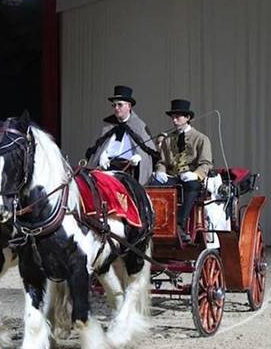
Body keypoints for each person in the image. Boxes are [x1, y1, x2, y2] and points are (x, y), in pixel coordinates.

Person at [151, 99, 213, 241]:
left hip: (190, 179)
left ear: (188, 118)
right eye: (173, 117)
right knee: (153, 184)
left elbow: (206, 163)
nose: (174, 120)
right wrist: (160, 170)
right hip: (173, 177)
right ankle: (155, 223)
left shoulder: (201, 139)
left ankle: (180, 223)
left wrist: (195, 175)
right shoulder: (168, 140)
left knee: (192, 186)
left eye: (178, 117)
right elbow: (162, 161)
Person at [85, 85, 157, 185]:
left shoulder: (139, 126)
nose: (116, 108)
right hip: (108, 167)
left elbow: (148, 150)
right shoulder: (107, 126)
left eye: (120, 105)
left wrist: (139, 157)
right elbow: (97, 147)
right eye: (114, 105)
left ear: (129, 106)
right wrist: (102, 154)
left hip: (129, 169)